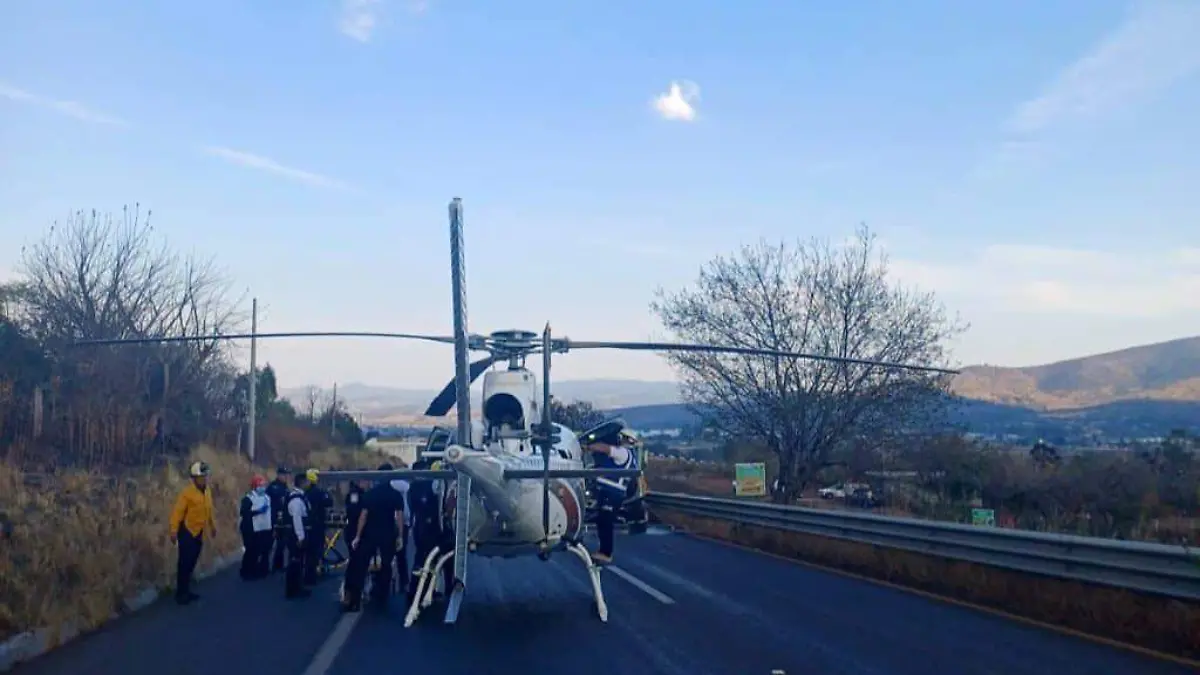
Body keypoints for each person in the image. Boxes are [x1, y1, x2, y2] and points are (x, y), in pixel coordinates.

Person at [341, 463, 406, 612]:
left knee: (361, 566)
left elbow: (363, 516)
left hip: (370, 535)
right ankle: (382, 595)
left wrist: (357, 536)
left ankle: (355, 600)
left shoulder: (370, 494)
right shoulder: (395, 495)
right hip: (388, 534)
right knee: (386, 565)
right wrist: (400, 536)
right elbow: (399, 517)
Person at [584, 429, 640, 564]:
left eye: (622, 437)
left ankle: (606, 553)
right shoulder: (630, 456)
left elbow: (605, 449)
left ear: (628, 440)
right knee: (602, 520)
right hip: (610, 493)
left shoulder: (623, 453)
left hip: (612, 493)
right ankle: (603, 551)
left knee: (606, 522)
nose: (619, 439)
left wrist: (587, 446)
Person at [168, 461, 217, 605]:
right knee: (184, 563)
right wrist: (173, 530)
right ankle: (180, 593)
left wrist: (212, 526)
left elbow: (209, 510)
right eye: (202, 477)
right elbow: (177, 512)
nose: (205, 479)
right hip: (187, 532)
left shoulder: (207, 491)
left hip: (199, 532)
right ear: (195, 478)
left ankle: (187, 590)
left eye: (206, 476)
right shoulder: (187, 493)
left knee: (192, 562)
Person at [405, 458, 445, 602]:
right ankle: (416, 590)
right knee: (423, 559)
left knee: (429, 560)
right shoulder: (422, 487)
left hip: (422, 528)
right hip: (426, 529)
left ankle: (425, 589)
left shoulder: (414, 487)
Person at [284, 472, 313, 599]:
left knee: (299, 561)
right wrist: (300, 537)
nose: (308, 484)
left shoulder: (300, 496)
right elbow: (297, 519)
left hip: (298, 532)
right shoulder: (296, 499)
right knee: (295, 561)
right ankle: (293, 589)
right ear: (302, 483)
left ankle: (298, 586)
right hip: (296, 534)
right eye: (307, 481)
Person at [303, 468, 334, 586]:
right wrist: (328, 492)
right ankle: (312, 577)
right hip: (317, 525)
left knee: (309, 552)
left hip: (308, 524)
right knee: (316, 551)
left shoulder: (305, 492)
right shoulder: (319, 492)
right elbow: (329, 502)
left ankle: (308, 575)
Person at [238, 475, 273, 580]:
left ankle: (257, 570)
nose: (262, 487)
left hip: (263, 528)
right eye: (260, 485)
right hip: (250, 528)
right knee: (250, 551)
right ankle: (246, 571)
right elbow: (244, 513)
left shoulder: (267, 498)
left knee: (260, 550)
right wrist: (257, 511)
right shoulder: (248, 498)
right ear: (254, 486)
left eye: (263, 485)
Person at [265, 466, 291, 573]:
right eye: (284, 475)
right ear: (279, 475)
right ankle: (265, 567)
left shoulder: (285, 487)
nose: (286, 477)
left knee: (282, 543)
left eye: (287, 475)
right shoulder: (273, 487)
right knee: (269, 544)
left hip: (283, 519)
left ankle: (278, 565)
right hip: (273, 518)